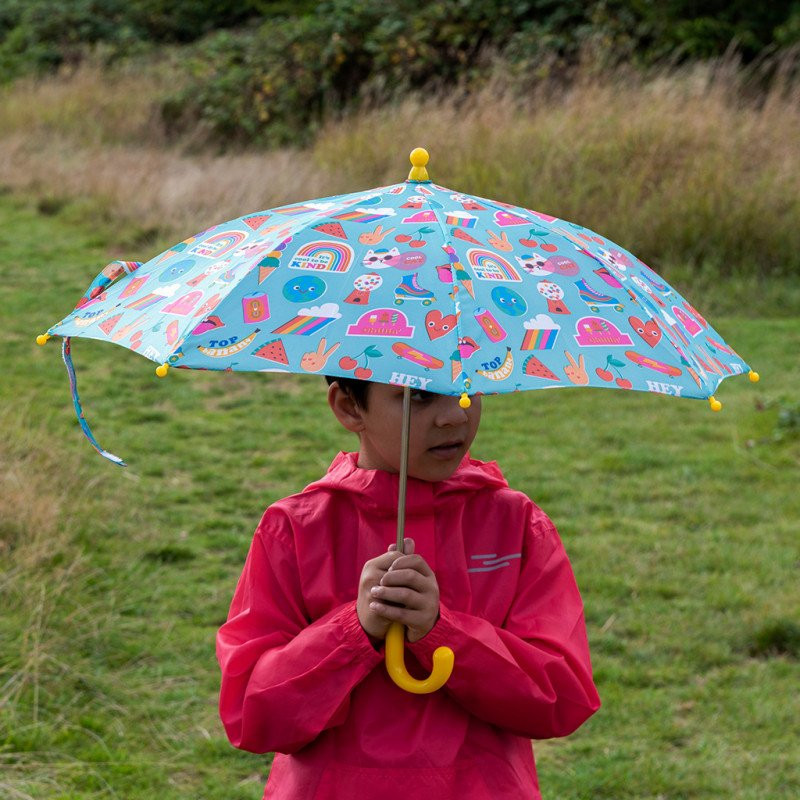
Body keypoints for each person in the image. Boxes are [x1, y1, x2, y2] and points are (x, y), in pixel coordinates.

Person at [216, 377, 601, 799]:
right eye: (418, 395)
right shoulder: (294, 530)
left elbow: (563, 698)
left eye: (467, 389)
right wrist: (353, 630)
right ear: (349, 406)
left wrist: (445, 632)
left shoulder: (516, 525)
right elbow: (252, 716)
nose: (454, 415)